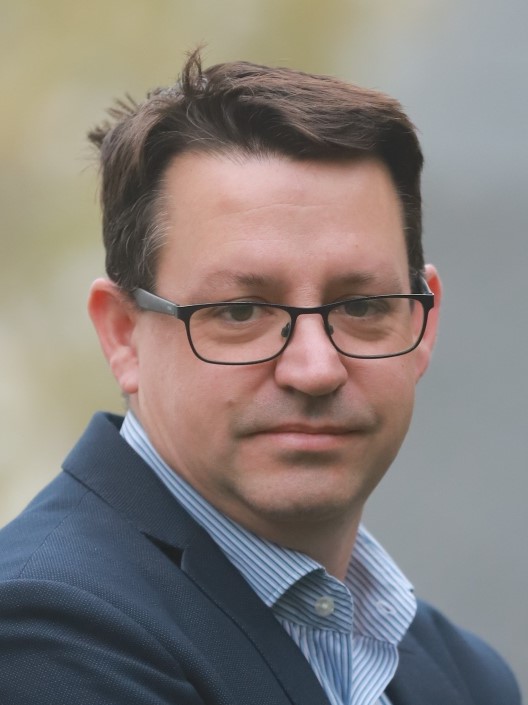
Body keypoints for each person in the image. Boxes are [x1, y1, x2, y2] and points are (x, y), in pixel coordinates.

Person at [0, 49, 520, 705]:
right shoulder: (44, 636)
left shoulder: (468, 676)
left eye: (362, 307)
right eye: (242, 311)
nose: (315, 368)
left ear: (423, 322)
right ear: (123, 335)